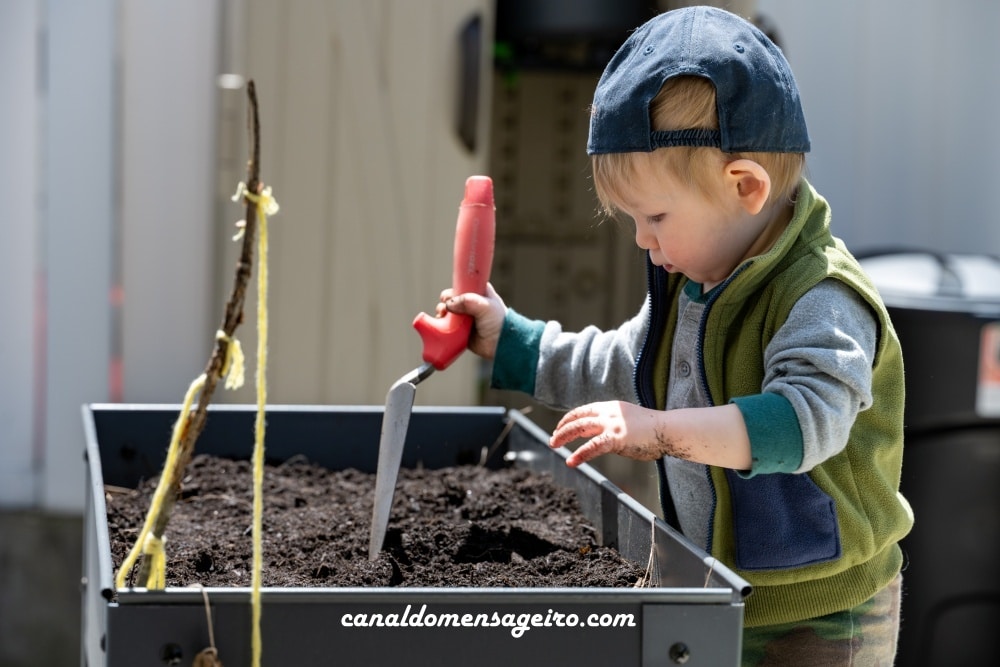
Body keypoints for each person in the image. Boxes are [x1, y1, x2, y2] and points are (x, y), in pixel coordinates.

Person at [438, 6, 913, 666]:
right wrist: (512, 340)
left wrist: (660, 429)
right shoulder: (696, 282)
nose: (641, 238)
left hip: (820, 615)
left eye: (655, 215)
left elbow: (802, 424)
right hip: (709, 586)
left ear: (745, 187)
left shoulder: (821, 296)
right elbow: (626, 369)